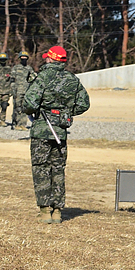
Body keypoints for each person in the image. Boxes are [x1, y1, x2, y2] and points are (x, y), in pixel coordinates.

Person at [23, 46, 90, 224]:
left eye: (47, 57)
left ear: (50, 59)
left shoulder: (42, 78)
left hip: (41, 131)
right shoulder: (72, 79)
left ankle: (45, 211)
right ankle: (58, 211)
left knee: (41, 169)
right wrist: (65, 113)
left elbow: (29, 102)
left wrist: (39, 110)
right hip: (60, 130)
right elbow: (84, 104)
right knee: (58, 170)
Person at [11, 51, 36, 130]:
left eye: (25, 58)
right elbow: (12, 80)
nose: (24, 60)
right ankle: (16, 124)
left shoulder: (29, 68)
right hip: (17, 90)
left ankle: (23, 124)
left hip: (26, 91)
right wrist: (13, 90)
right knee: (17, 108)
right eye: (22, 58)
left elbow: (34, 77)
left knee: (24, 108)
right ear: (20, 59)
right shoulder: (16, 68)